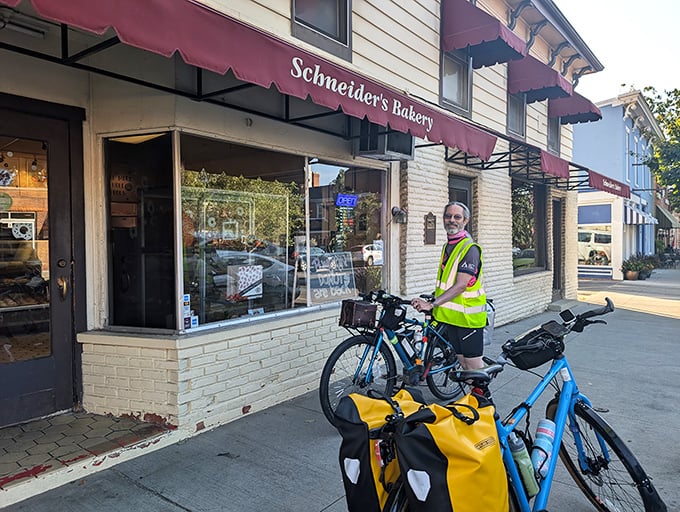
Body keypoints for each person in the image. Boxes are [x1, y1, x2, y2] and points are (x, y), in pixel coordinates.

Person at [411, 201, 486, 370]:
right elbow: (448, 282)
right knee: (463, 365)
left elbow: (460, 286)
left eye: (457, 217)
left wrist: (432, 304)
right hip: (451, 318)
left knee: (474, 369)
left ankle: (483, 398)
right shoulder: (448, 246)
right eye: (448, 216)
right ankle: (472, 397)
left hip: (468, 319)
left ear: (465, 221)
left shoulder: (469, 248)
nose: (451, 220)